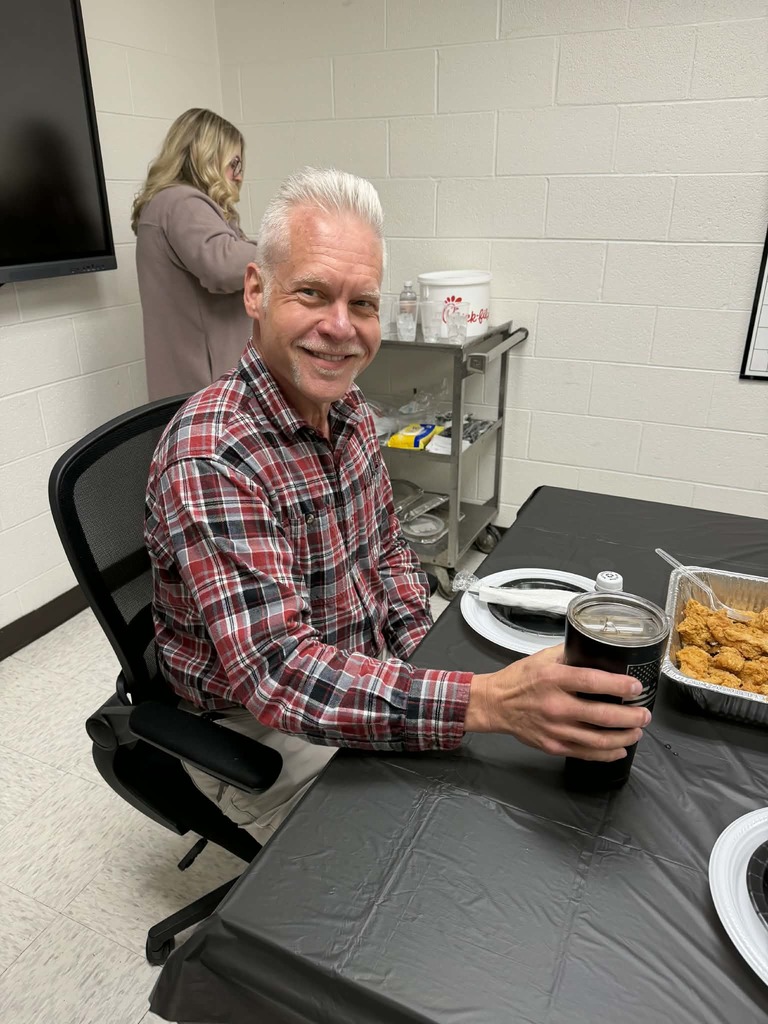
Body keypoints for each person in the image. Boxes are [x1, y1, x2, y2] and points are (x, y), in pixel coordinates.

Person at [145, 167, 650, 844]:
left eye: (363, 304)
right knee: (439, 850)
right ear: (257, 291)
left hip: (359, 660)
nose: (339, 328)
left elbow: (386, 552)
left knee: (509, 773)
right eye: (313, 294)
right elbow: (277, 674)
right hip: (260, 725)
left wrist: (425, 658)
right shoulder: (214, 456)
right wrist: (482, 701)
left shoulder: (347, 408)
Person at [132, 108, 258, 401]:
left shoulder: (175, 205)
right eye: (233, 164)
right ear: (206, 157)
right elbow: (224, 265)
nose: (239, 177)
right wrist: (284, 249)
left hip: (197, 388)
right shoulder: (181, 202)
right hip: (205, 390)